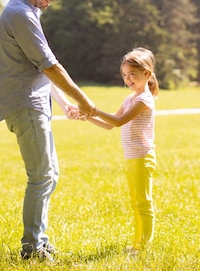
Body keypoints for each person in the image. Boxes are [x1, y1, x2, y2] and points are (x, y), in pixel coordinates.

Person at [0, 0, 96, 261]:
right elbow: (50, 65)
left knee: (50, 175)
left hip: (33, 102)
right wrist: (84, 100)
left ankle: (39, 240)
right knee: (40, 177)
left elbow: (38, 69)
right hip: (25, 105)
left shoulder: (28, 13)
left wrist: (64, 104)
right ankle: (32, 249)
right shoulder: (20, 14)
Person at [83, 47, 158, 257]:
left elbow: (118, 121)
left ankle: (142, 247)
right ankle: (137, 244)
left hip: (143, 158)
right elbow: (110, 126)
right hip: (132, 158)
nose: (128, 79)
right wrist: (87, 115)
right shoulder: (129, 98)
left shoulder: (144, 100)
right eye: (125, 75)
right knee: (136, 203)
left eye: (132, 74)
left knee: (144, 203)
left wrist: (94, 109)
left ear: (147, 74)